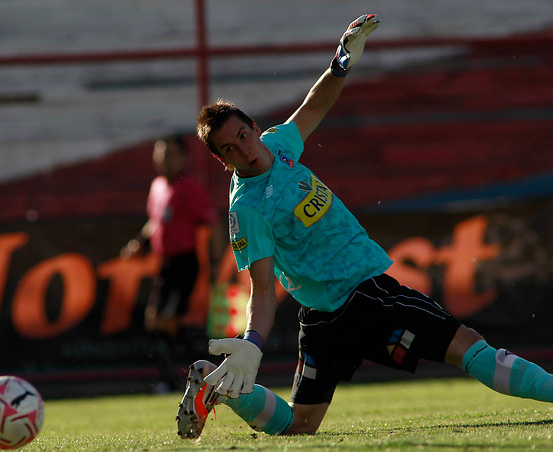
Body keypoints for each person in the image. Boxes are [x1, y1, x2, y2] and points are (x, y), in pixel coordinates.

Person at [176, 13, 553, 438]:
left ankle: (218, 386)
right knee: (469, 345)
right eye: (231, 148)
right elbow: (262, 289)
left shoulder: (277, 144)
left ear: (254, 128)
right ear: (222, 160)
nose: (244, 149)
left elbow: (314, 106)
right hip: (365, 295)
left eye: (244, 135)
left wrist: (339, 63)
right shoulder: (247, 208)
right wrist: (253, 343)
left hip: (322, 319)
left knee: (300, 426)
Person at [122, 135, 217, 392]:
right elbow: (155, 221)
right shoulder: (157, 186)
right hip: (165, 264)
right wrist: (140, 242)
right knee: (155, 324)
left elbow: (210, 222)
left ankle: (191, 376)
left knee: (166, 322)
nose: (166, 160)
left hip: (185, 263)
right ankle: (175, 379)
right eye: (162, 154)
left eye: (172, 154)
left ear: (183, 157)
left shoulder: (190, 186)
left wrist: (217, 263)